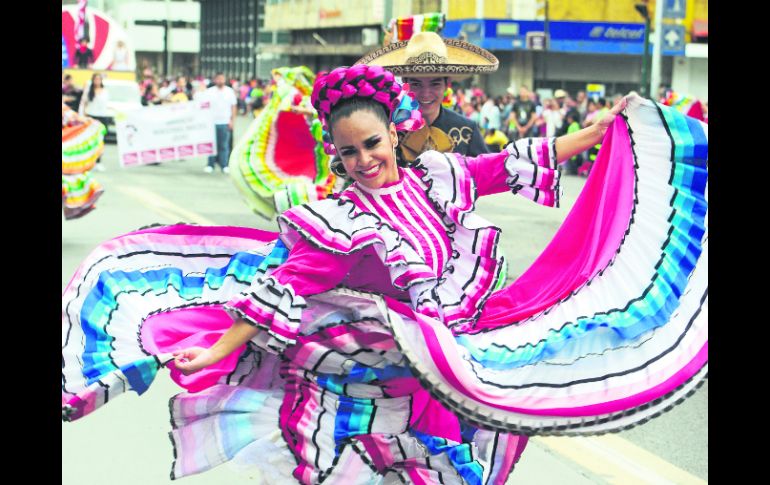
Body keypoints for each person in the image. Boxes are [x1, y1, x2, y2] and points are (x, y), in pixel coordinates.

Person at [62, 64, 709, 484]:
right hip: (393, 384)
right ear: (335, 155)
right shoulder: (341, 222)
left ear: (393, 134)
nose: (363, 160)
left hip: (457, 359)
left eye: (370, 144)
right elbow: (275, 292)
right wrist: (219, 345)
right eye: (347, 151)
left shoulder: (438, 175)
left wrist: (591, 132)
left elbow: (514, 163)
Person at [357, 31, 495, 161]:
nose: (426, 93)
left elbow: (487, 176)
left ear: (447, 83)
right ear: (405, 82)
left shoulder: (467, 129)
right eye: (417, 84)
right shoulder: (387, 127)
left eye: (435, 84)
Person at [202, 72, 237, 174]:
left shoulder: (229, 91)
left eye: (222, 78)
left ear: (225, 79)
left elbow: (233, 106)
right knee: (212, 145)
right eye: (218, 79)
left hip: (225, 121)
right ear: (215, 80)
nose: (220, 81)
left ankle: (224, 165)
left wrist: (232, 120)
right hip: (212, 122)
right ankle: (210, 164)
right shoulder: (209, 92)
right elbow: (204, 105)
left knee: (224, 145)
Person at [78, 73, 110, 171]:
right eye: (95, 79)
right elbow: (83, 103)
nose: (97, 81)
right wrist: (82, 117)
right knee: (91, 140)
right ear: (93, 80)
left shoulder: (105, 91)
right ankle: (89, 162)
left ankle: (98, 161)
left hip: (103, 117)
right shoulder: (88, 91)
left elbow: (106, 105)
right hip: (91, 116)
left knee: (100, 140)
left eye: (99, 79)